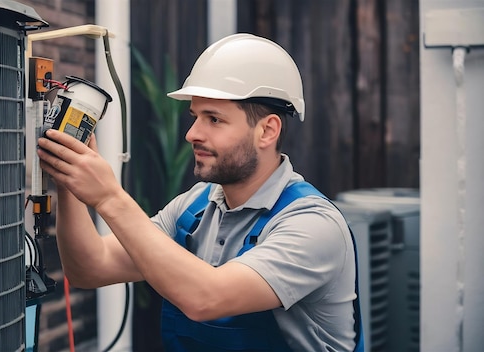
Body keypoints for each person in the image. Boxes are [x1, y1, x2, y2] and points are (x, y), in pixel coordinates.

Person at [37, 33, 363, 352]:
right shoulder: (194, 209)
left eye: (214, 119)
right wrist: (68, 179)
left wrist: (109, 197)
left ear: (267, 131)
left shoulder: (313, 225)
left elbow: (207, 297)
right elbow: (90, 267)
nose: (192, 133)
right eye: (195, 117)